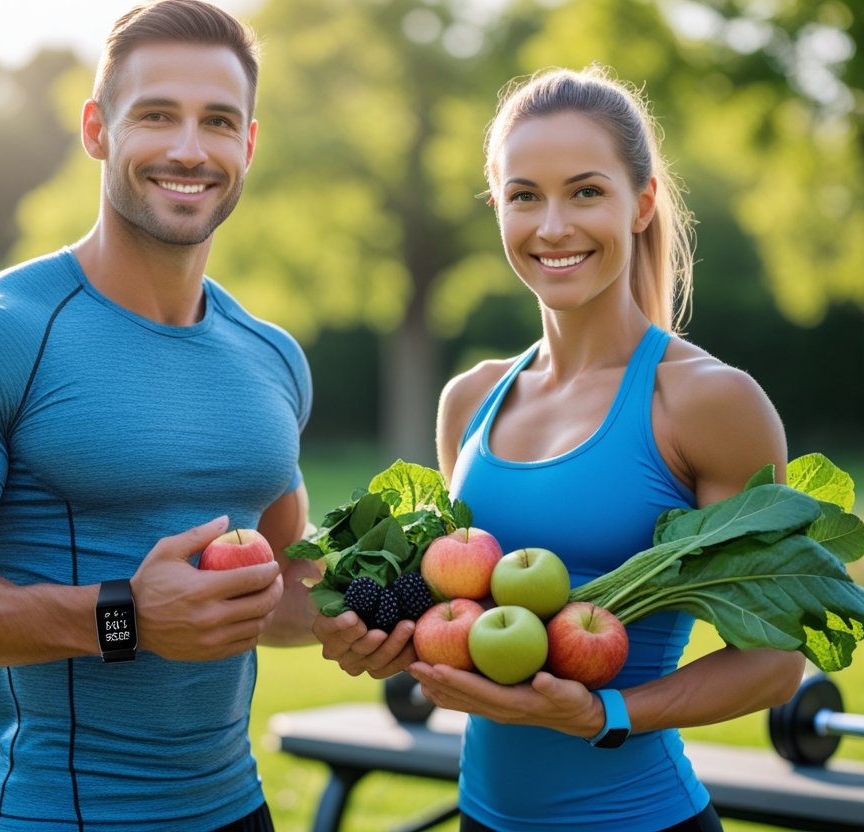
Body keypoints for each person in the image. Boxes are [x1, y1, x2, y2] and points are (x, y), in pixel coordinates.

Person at [0, 2, 320, 830]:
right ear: (97, 129)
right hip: (61, 815)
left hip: (241, 811)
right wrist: (121, 616)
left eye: (218, 121)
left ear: (249, 145)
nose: (190, 150)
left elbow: (271, 590)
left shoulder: (272, 357)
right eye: (156, 115)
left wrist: (391, 615)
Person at [313, 65, 806, 831]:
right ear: (496, 207)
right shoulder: (470, 400)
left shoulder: (708, 401)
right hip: (480, 815)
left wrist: (604, 713)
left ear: (641, 204)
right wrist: (383, 636)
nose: (551, 227)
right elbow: (468, 616)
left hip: (642, 820)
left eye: (585, 192)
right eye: (524, 196)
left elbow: (776, 664)